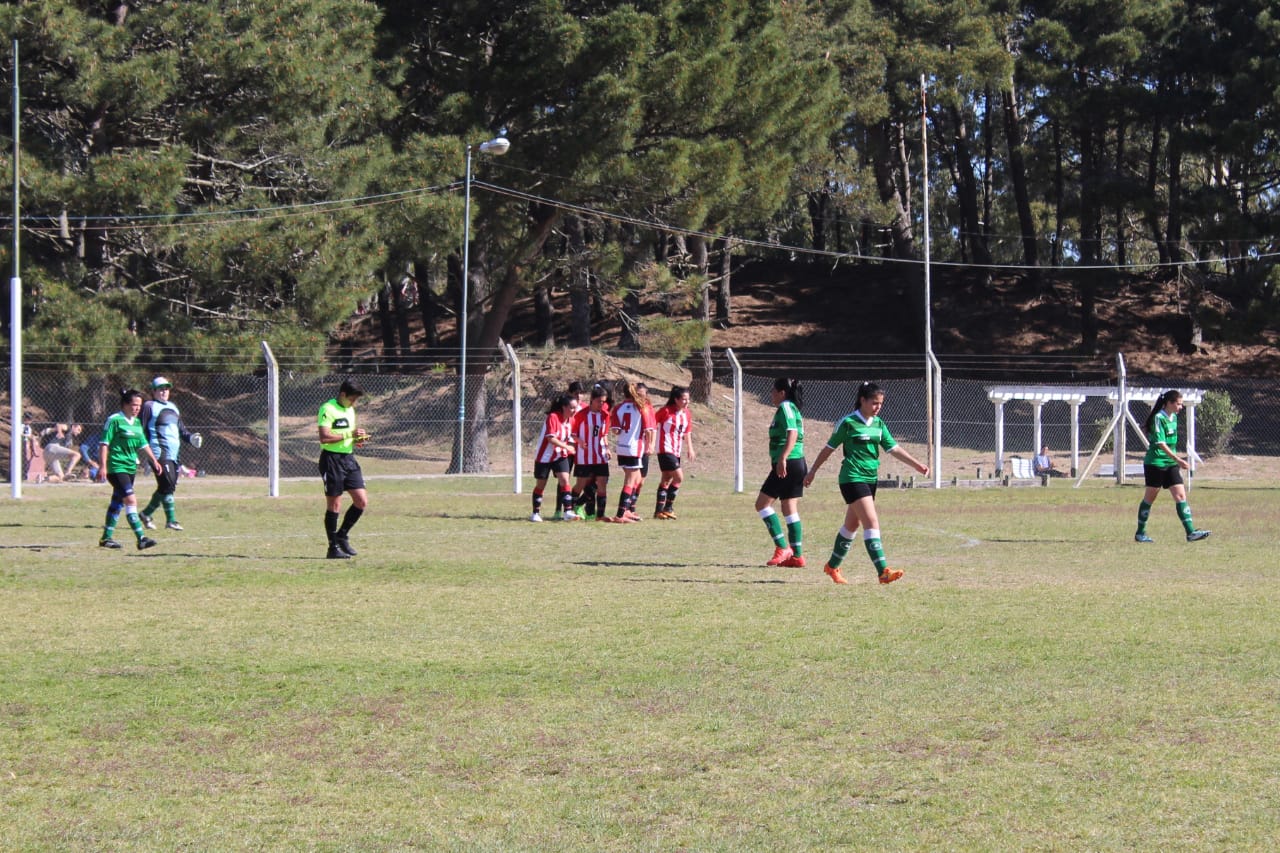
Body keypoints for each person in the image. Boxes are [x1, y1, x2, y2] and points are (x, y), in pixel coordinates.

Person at [804, 381, 929, 585]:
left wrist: (916, 465)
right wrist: (812, 471)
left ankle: (832, 566)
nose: (878, 407)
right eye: (874, 403)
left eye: (881, 403)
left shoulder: (878, 424)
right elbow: (828, 448)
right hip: (852, 477)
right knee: (871, 522)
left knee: (852, 525)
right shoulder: (848, 422)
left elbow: (893, 448)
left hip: (871, 479)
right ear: (862, 400)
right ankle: (883, 572)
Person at [1135, 390, 1210, 543]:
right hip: (1155, 463)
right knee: (1149, 498)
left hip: (1170, 464)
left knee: (1181, 496)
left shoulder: (1174, 417)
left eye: (1181, 404)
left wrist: (1175, 460)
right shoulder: (1158, 418)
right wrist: (1178, 459)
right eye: (1178, 404)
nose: (1181, 407)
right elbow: (1161, 444)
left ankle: (1191, 533)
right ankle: (1140, 533)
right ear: (1168, 403)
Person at [96, 389, 163, 550]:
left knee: (117, 503)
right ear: (125, 405)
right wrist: (102, 466)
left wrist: (154, 460)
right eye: (134, 405)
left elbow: (143, 443)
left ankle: (106, 538)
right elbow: (104, 444)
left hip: (130, 467)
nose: (137, 408)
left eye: (139, 405)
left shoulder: (137, 423)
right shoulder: (114, 420)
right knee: (131, 500)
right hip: (116, 467)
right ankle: (141, 538)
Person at [139, 376, 203, 531]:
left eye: (167, 388)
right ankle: (170, 520)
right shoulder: (149, 406)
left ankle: (146, 514)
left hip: (174, 454)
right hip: (158, 452)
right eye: (161, 389)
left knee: (168, 486)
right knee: (167, 484)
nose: (164, 391)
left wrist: (191, 438)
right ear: (153, 391)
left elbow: (182, 430)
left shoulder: (173, 407)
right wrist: (141, 451)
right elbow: (140, 429)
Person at [755, 377, 807, 567]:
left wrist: (783, 457)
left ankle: (782, 547)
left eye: (773, 391)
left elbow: (792, 432)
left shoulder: (786, 407)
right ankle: (797, 556)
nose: (771, 394)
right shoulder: (791, 408)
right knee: (789, 508)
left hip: (789, 462)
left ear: (782, 393)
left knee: (762, 505)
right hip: (796, 462)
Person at [318, 379, 370, 559]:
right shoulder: (327, 408)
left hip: (348, 459)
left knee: (361, 501)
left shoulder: (350, 410)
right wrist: (349, 434)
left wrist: (358, 439)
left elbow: (348, 436)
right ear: (342, 394)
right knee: (335, 504)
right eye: (352, 399)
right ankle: (332, 548)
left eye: (356, 400)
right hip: (331, 460)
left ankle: (341, 535)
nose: (354, 403)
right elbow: (324, 437)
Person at [530, 393, 578, 522]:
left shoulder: (571, 420)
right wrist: (567, 447)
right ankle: (535, 513)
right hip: (544, 456)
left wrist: (577, 443)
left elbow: (571, 436)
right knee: (541, 485)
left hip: (559, 455)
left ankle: (567, 511)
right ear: (564, 407)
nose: (574, 410)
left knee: (565, 480)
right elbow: (551, 438)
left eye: (575, 408)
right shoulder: (553, 417)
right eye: (572, 408)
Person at [609, 381, 652, 522]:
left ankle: (627, 510)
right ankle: (620, 515)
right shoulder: (641, 407)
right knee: (630, 481)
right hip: (634, 448)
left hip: (622, 447)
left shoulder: (618, 408)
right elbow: (648, 430)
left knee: (637, 479)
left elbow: (616, 430)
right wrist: (650, 445)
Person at [569, 384, 612, 521]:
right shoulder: (581, 415)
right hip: (584, 456)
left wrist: (607, 448)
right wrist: (580, 441)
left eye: (604, 401)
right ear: (592, 400)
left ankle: (600, 515)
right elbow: (572, 434)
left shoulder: (605, 415)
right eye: (599, 401)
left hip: (600, 455)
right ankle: (570, 508)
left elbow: (604, 434)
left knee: (602, 483)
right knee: (580, 484)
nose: (602, 404)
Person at [653, 385, 695, 519]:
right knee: (679, 477)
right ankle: (668, 507)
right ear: (676, 399)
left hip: (676, 451)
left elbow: (687, 432)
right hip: (665, 449)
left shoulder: (686, 414)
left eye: (688, 399)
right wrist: (649, 441)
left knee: (666, 479)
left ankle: (658, 512)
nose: (687, 402)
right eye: (684, 399)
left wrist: (690, 448)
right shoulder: (666, 411)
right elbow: (651, 423)